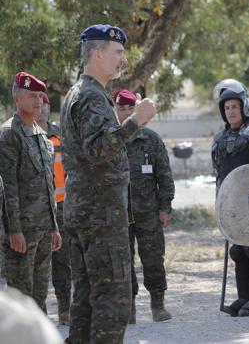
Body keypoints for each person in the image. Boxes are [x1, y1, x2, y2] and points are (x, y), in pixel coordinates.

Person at [61, 24, 157, 343]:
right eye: (117, 53)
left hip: (86, 213)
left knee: (85, 303)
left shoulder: (82, 92)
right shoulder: (90, 95)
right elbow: (98, 149)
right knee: (112, 303)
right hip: (101, 217)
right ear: (97, 53)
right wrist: (135, 121)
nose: (123, 60)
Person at [0, 72, 62, 311]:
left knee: (38, 298)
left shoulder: (42, 137)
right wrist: (14, 230)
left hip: (44, 230)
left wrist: (54, 227)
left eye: (40, 96)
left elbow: (49, 185)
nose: (38, 101)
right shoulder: (9, 134)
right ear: (17, 98)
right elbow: (8, 187)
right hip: (22, 233)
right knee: (19, 300)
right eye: (31, 95)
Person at [211, 79, 249, 317]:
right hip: (232, 205)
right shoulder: (219, 138)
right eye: (227, 108)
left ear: (244, 107)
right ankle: (244, 297)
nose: (231, 112)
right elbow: (219, 175)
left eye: (235, 107)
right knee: (238, 251)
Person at [113, 89, 175, 323]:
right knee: (122, 260)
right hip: (118, 214)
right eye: (122, 108)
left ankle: (157, 304)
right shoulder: (111, 141)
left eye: (132, 108)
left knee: (153, 258)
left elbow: (164, 175)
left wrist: (165, 207)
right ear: (116, 111)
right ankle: (129, 308)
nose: (127, 113)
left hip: (148, 212)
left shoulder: (151, 139)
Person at [36, 93, 72, 324]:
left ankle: (65, 310)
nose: (40, 106)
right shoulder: (18, 134)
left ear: (49, 107)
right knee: (36, 264)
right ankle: (37, 315)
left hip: (61, 208)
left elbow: (73, 169)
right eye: (36, 101)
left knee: (63, 262)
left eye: (44, 102)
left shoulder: (60, 136)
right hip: (34, 210)